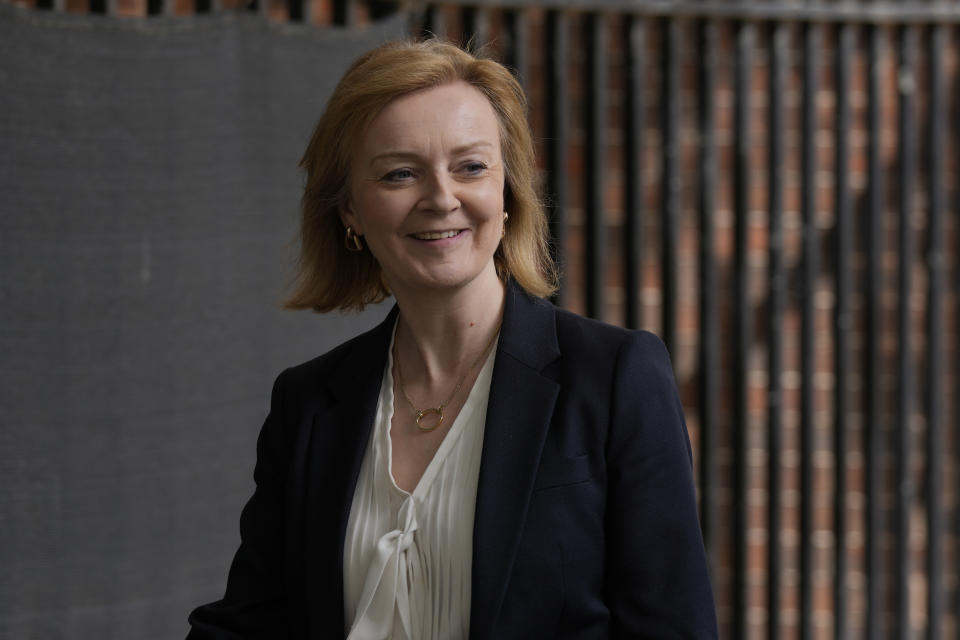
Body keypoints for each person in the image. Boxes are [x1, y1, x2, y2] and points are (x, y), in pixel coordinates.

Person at [187, 39, 717, 639]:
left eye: (470, 166)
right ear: (350, 213)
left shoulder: (615, 376)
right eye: (400, 173)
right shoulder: (308, 402)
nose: (441, 198)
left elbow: (673, 628)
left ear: (508, 193)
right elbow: (251, 624)